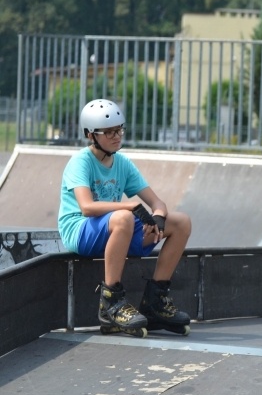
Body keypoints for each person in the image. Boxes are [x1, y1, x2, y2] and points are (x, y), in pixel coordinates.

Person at [58, 99, 193, 337]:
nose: (116, 136)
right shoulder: (80, 162)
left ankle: (156, 302)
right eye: (108, 132)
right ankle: (110, 302)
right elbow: (87, 207)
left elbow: (157, 203)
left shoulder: (122, 163)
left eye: (119, 129)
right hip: (79, 230)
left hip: (116, 229)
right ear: (91, 135)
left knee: (180, 222)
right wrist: (129, 206)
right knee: (123, 218)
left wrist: (158, 219)